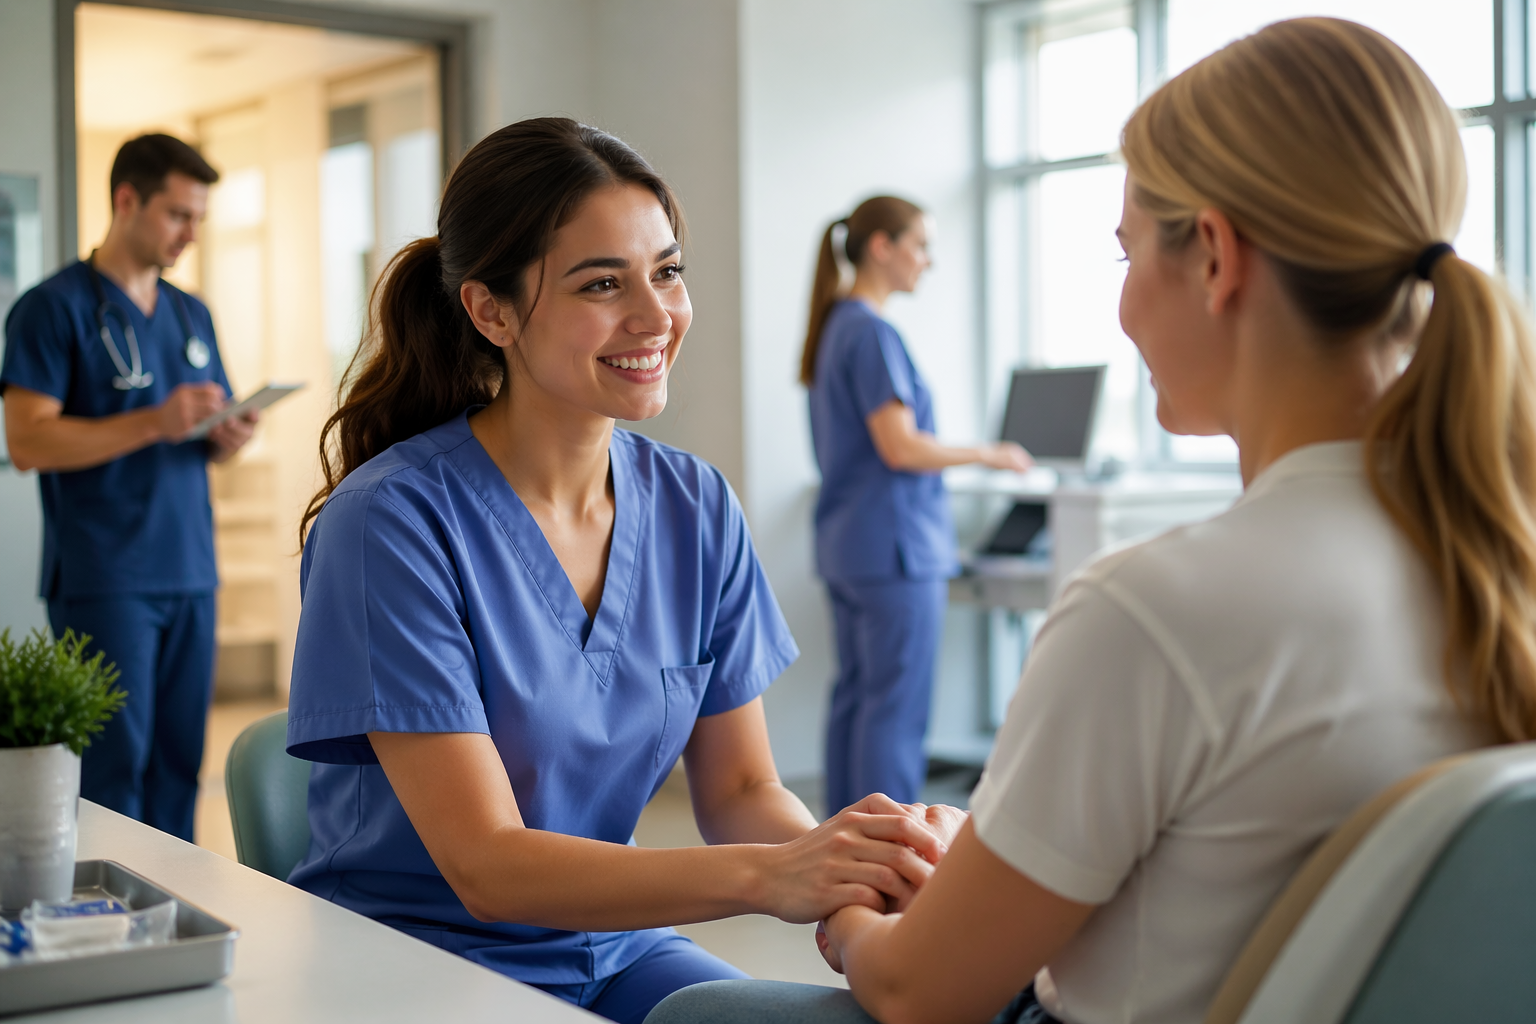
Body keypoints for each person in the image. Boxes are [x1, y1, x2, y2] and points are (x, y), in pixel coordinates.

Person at [647, 17, 1536, 1024]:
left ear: (1214, 255)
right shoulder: (1499, 558)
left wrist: (854, 909)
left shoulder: (1158, 607)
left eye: (1124, 254)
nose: (1120, 306)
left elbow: (915, 991)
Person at [283, 118, 951, 1024]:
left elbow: (741, 789)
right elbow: (485, 865)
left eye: (668, 272)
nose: (655, 316)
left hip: (609, 941)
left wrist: (852, 876)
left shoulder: (695, 505)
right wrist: (777, 876)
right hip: (418, 956)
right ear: (492, 312)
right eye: (603, 283)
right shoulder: (393, 523)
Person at [1, 134, 257, 841]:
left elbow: (203, 434)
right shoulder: (52, 310)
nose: (190, 234)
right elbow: (27, 442)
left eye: (198, 218)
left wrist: (228, 438)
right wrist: (153, 422)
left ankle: (177, 921)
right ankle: (110, 922)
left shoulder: (189, 313)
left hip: (190, 570)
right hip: (106, 576)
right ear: (126, 200)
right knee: (115, 769)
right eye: (178, 215)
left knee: (180, 768)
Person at [802, 197, 1031, 814]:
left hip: (852, 546)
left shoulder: (835, 327)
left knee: (858, 699)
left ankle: (849, 843)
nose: (927, 262)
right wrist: (990, 454)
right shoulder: (872, 332)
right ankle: (892, 852)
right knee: (894, 711)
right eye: (921, 246)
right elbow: (900, 447)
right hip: (894, 550)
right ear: (882, 247)